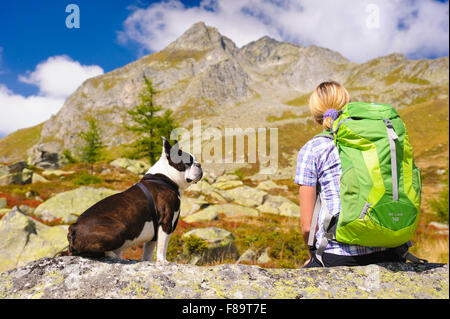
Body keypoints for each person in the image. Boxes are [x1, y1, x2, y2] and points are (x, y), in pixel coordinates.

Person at [295, 81, 405, 268]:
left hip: (339, 254)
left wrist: (313, 255)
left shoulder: (313, 149)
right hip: (390, 248)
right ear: (348, 104)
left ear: (316, 115)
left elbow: (308, 228)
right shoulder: (374, 141)